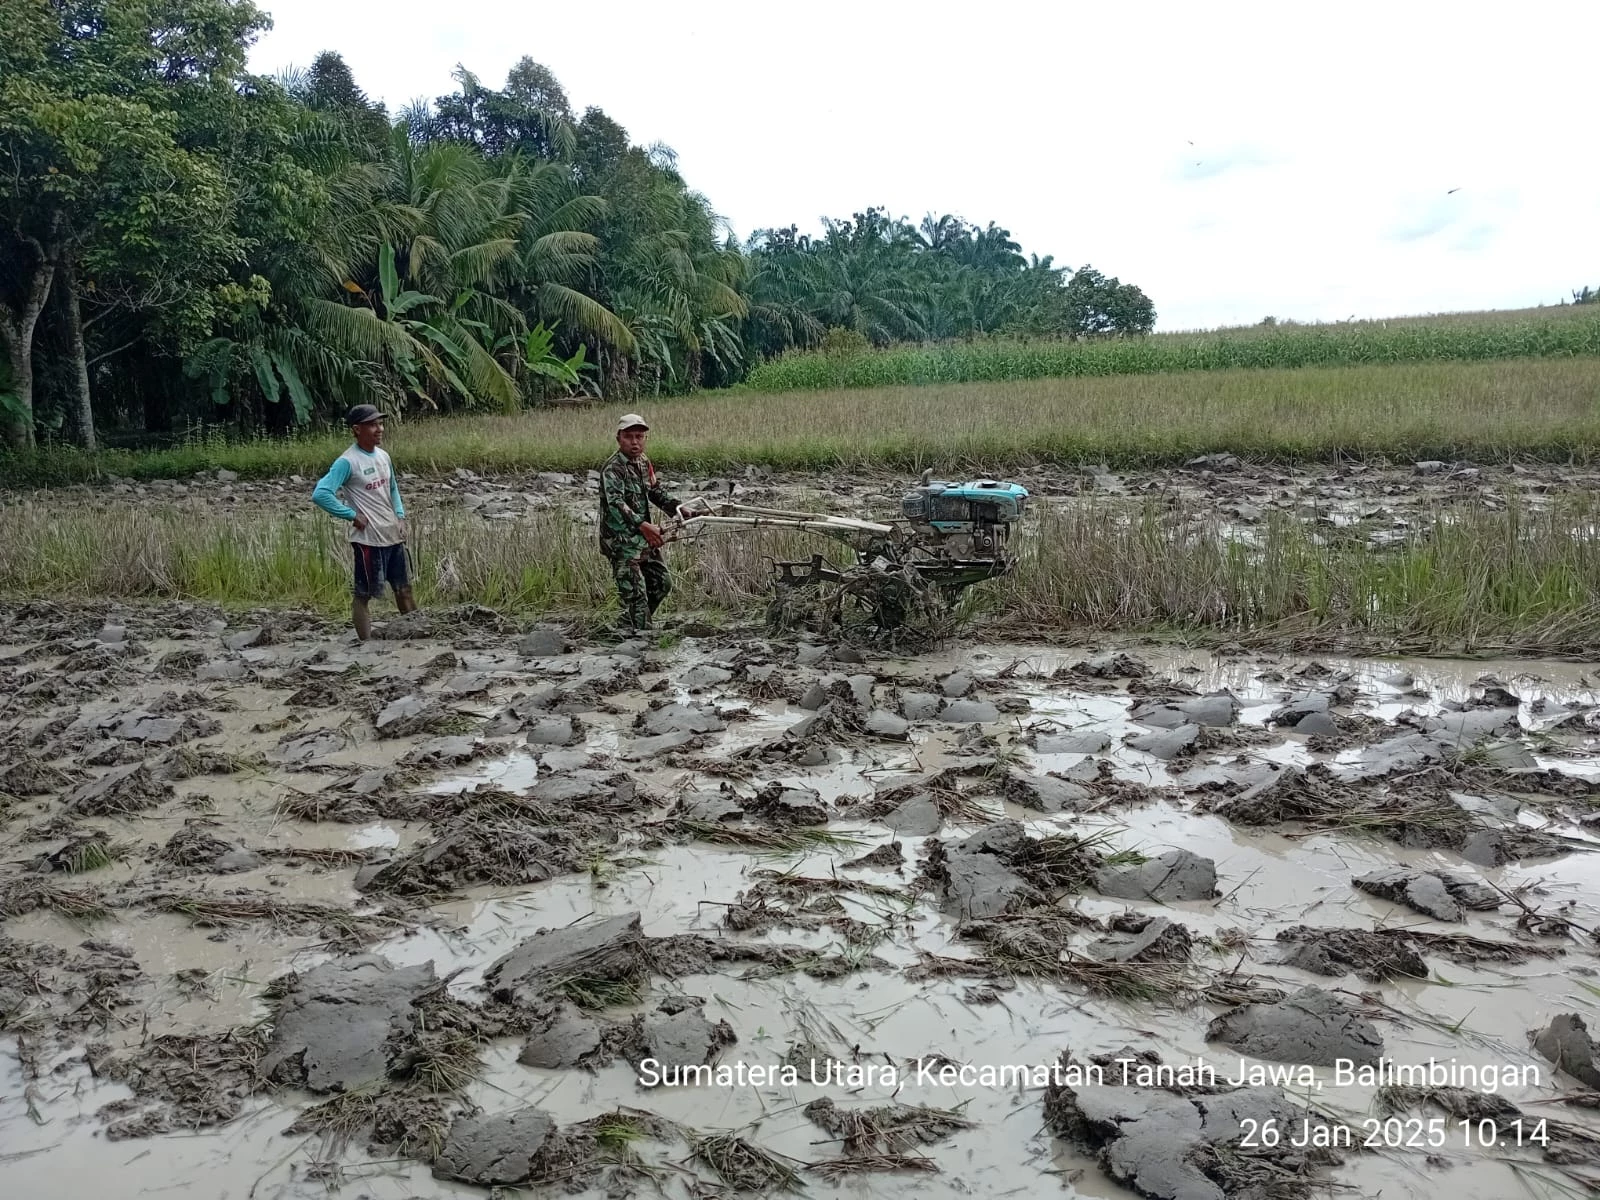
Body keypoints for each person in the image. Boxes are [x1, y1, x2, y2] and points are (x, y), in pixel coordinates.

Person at [311, 404, 416, 640]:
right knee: (363, 594)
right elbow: (321, 493)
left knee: (404, 588)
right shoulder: (348, 462)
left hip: (392, 534)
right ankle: (366, 644)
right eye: (372, 425)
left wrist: (400, 516)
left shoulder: (383, 456)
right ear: (357, 429)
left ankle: (416, 632)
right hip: (369, 541)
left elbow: (392, 488)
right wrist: (351, 515)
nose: (379, 429)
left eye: (380, 423)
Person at [599, 413, 685, 633]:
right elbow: (616, 503)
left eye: (639, 436)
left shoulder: (644, 462)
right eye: (629, 437)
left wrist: (678, 508)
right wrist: (644, 526)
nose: (635, 442)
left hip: (643, 539)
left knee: (661, 584)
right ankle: (642, 641)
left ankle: (629, 626)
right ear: (619, 438)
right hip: (622, 542)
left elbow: (655, 491)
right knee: (637, 596)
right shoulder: (613, 469)